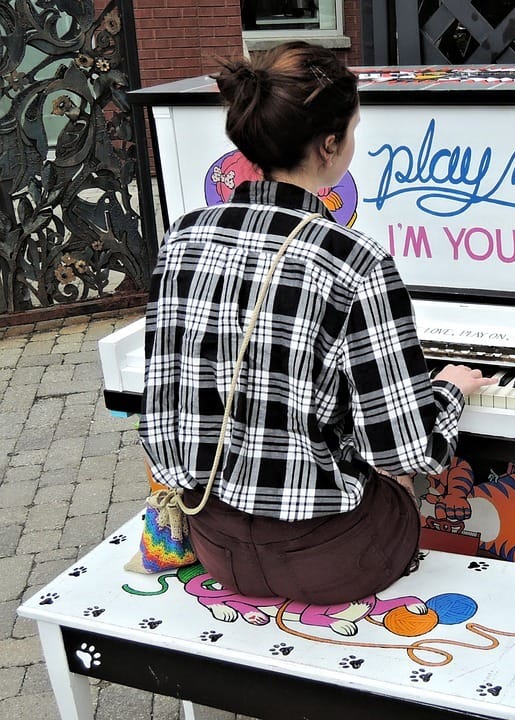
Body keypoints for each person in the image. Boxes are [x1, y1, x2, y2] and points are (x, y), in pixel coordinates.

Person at [138, 42, 494, 605]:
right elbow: (409, 449)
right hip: (331, 561)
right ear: (330, 144)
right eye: (352, 130)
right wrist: (451, 388)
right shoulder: (355, 259)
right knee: (398, 479)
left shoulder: (182, 235)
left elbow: (160, 416)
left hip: (215, 540)